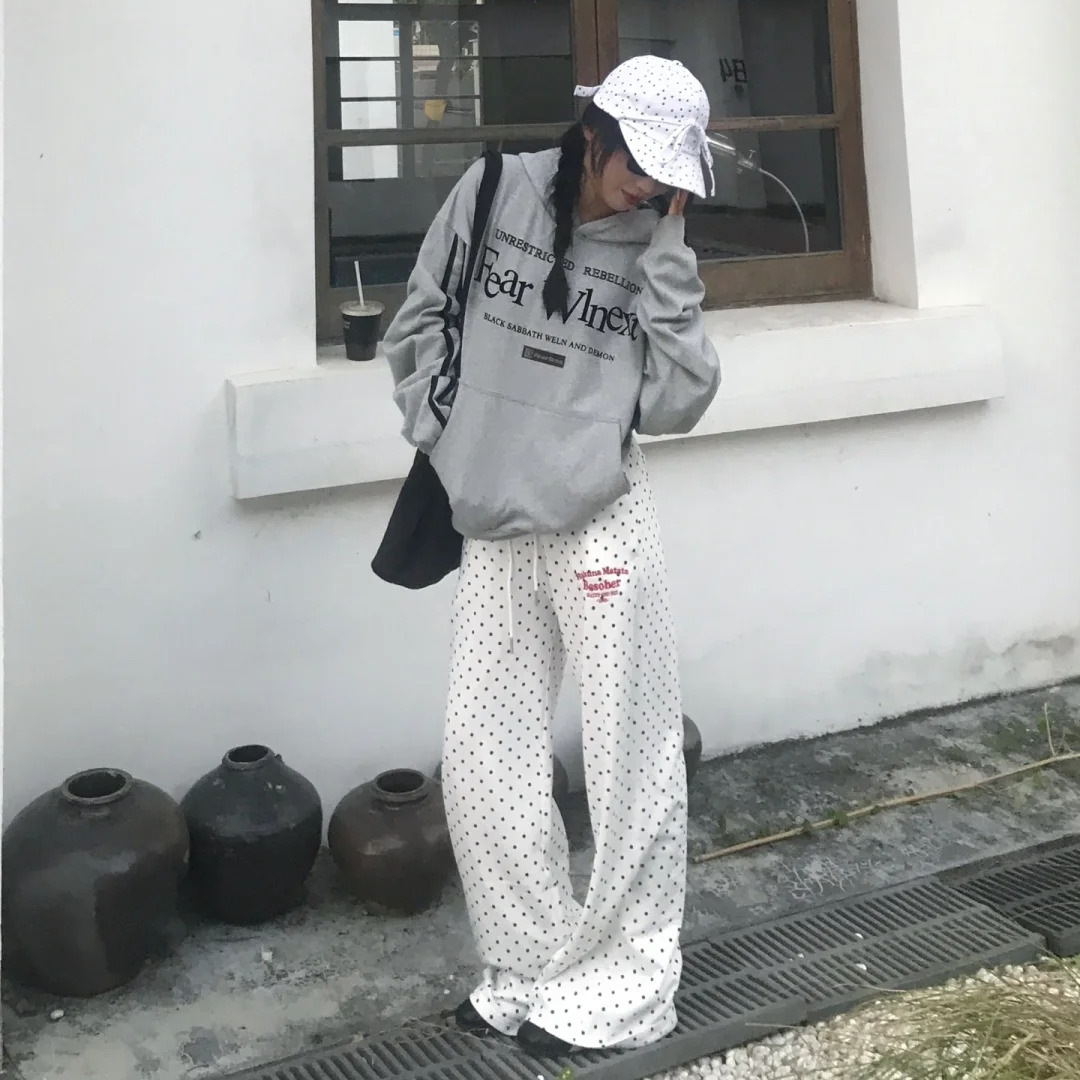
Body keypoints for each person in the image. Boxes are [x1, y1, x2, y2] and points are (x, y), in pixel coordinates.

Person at [384, 55, 720, 1055]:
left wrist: (668, 260)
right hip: (493, 518)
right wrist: (448, 436)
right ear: (593, 134)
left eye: (668, 177)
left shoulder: (657, 240)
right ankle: (528, 963)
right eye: (637, 165)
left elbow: (677, 402)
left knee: (630, 757)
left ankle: (628, 984)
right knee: (483, 759)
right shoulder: (493, 188)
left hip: (600, 518)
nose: (647, 186)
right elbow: (420, 319)